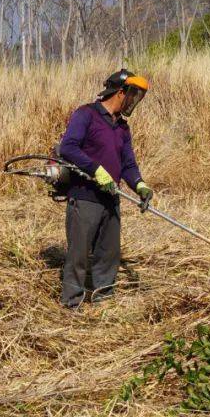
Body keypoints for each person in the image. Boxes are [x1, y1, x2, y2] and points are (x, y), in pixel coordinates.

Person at [57, 69, 154, 308]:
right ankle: (71, 303)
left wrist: (139, 184)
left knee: (108, 254)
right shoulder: (86, 114)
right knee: (79, 255)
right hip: (85, 197)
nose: (134, 102)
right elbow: (68, 147)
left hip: (111, 198)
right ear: (120, 92)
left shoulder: (122, 128)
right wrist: (96, 170)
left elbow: (128, 164)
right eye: (132, 95)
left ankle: (104, 300)